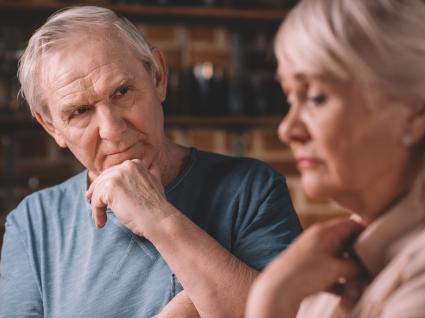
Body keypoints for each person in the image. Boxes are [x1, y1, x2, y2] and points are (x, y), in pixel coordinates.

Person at [0, 6, 302, 318]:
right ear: (51, 126)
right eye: (80, 112)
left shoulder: (251, 188)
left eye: (121, 91)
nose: (112, 130)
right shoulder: (32, 223)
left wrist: (157, 216)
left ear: (157, 76)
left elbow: (286, 313)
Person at [246, 0, 425, 317]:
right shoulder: (327, 265)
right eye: (289, 96)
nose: (288, 130)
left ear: (416, 111)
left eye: (315, 97)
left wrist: (271, 300)